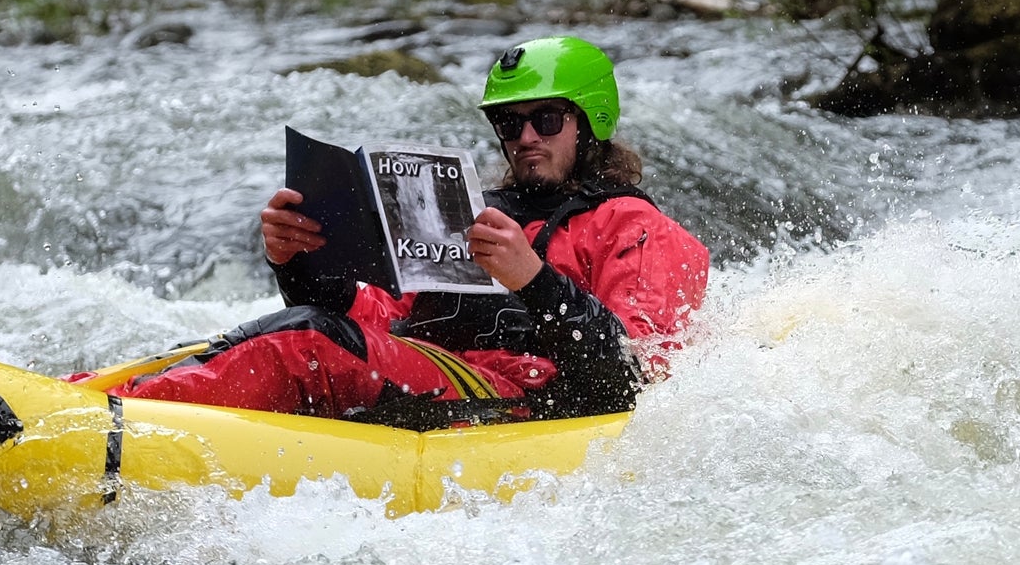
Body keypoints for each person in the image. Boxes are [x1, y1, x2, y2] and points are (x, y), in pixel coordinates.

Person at [117, 36, 710, 422]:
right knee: (255, 337)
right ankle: (88, 398)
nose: (525, 138)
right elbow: (377, 318)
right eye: (509, 123)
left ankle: (122, 422)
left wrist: (534, 281)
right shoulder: (476, 210)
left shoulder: (641, 229)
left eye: (546, 119)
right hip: (433, 375)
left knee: (308, 345)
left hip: (527, 402)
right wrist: (297, 261)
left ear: (590, 121)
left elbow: (631, 377)